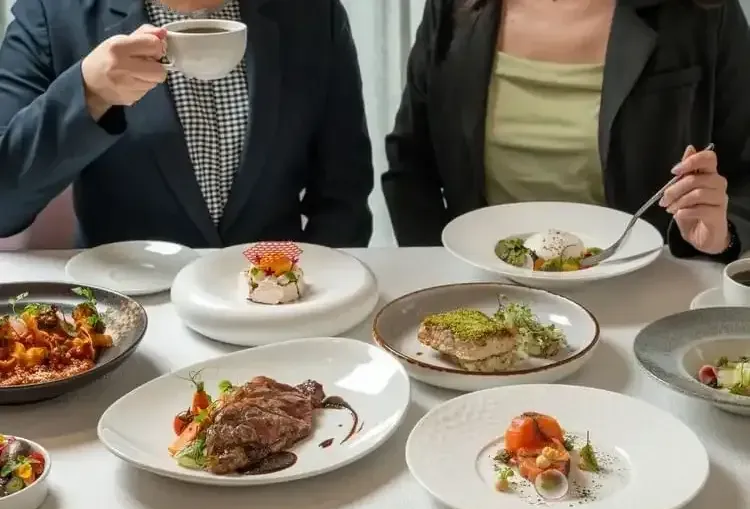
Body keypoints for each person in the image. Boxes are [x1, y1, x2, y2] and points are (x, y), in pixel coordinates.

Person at [383, 0, 750, 262]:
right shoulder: (452, 9)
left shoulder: (704, 12)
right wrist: (440, 271)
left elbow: (745, 179)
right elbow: (412, 167)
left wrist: (722, 236)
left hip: (650, 293)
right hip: (483, 290)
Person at [0, 0, 373, 248]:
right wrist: (89, 91)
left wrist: (310, 291)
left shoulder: (311, 13)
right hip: (125, 313)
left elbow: (345, 194)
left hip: (275, 309)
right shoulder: (54, 14)